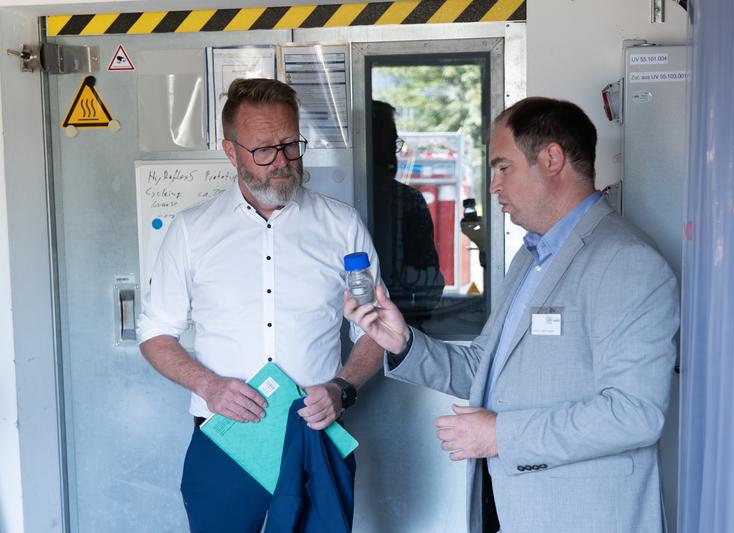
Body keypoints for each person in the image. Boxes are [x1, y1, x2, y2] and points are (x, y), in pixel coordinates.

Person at [345, 96, 679, 533]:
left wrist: (499, 435)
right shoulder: (530, 256)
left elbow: (635, 413)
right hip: (509, 506)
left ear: (552, 159)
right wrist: (402, 342)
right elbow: (485, 370)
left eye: (503, 168)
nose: (493, 186)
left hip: (583, 516)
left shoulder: (626, 261)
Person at [138, 78, 384, 532]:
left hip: (315, 434)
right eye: (264, 149)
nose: (283, 161)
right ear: (231, 152)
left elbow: (375, 329)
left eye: (291, 144)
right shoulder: (192, 231)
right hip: (225, 437)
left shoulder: (342, 225)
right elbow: (155, 334)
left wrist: (342, 388)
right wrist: (209, 386)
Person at [370, 100, 444, 330]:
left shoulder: (329, 207)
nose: (395, 155)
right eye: (390, 143)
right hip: (404, 330)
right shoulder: (408, 201)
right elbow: (429, 283)